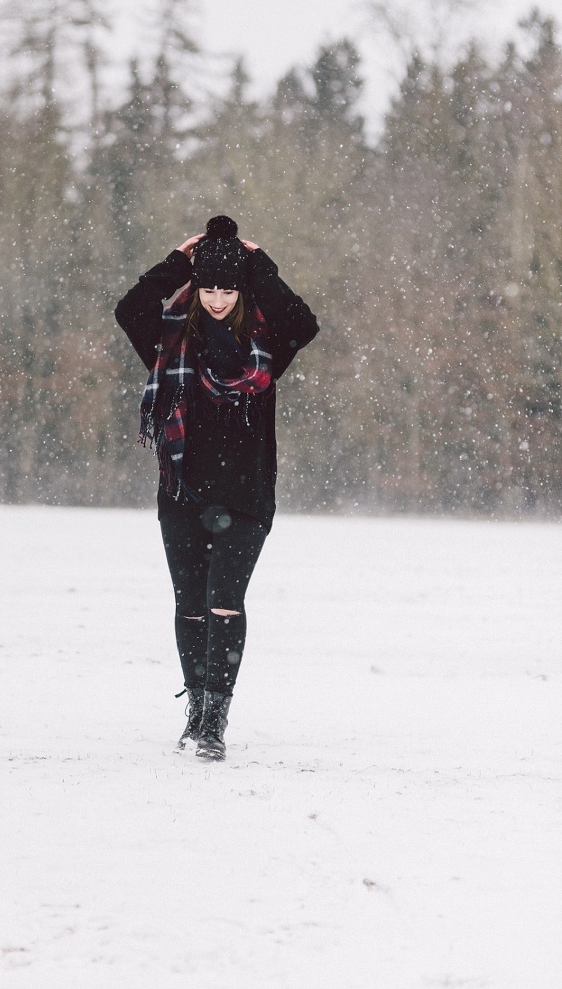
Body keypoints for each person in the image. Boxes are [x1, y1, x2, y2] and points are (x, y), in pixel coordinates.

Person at [115, 216, 319, 760]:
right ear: (197, 286)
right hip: (182, 494)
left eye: (229, 287)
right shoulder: (171, 341)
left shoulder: (267, 347)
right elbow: (130, 309)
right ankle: (196, 711)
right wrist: (177, 263)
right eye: (209, 286)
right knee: (191, 607)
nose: (219, 297)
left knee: (224, 603)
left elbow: (304, 321)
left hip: (247, 496)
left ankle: (215, 719)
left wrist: (259, 266)